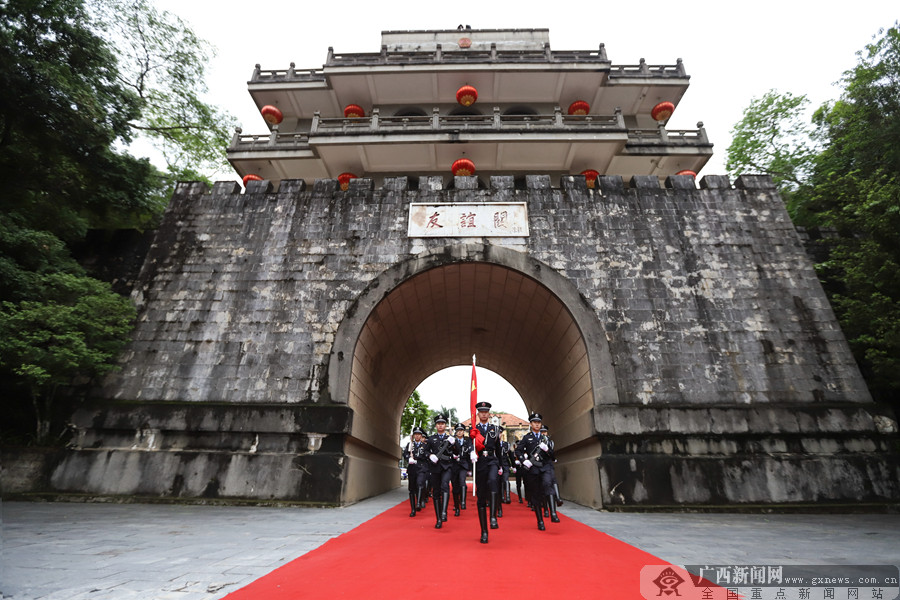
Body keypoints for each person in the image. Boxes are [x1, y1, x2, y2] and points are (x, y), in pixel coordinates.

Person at [515, 412, 560, 530]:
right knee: (536, 494)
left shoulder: (545, 438)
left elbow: (553, 455)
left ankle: (553, 513)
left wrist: (547, 450)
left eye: (539, 422)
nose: (537, 424)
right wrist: (522, 460)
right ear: (531, 424)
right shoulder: (526, 437)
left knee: (548, 484)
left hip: (545, 466)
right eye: (534, 422)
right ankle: (540, 520)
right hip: (533, 468)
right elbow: (518, 451)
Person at [469, 401, 503, 543]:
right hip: (479, 462)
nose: (484, 414)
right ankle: (484, 531)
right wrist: (471, 453)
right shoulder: (473, 430)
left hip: (492, 460)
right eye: (481, 412)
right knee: (481, 497)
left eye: (486, 412)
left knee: (493, 481)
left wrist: (501, 465)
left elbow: (498, 450)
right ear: (478, 414)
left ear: (489, 414)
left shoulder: (494, 429)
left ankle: (493, 517)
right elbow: (468, 447)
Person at [423, 414, 459, 529]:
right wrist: (430, 455)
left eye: (442, 423)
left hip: (447, 466)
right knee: (436, 492)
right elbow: (425, 451)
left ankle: (444, 512)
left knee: (445, 486)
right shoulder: (431, 439)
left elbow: (458, 452)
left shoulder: (449, 438)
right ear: (436, 425)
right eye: (438, 424)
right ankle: (438, 518)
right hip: (435, 468)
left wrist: (454, 443)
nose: (440, 425)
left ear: (445, 425)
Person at [402, 426, 429, 517]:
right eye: (415, 434)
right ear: (413, 436)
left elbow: (426, 455)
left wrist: (419, 459)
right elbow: (405, 453)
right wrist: (408, 458)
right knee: (411, 489)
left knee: (420, 484)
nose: (417, 436)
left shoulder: (425, 446)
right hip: (412, 468)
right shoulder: (410, 445)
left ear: (421, 436)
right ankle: (413, 509)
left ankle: (419, 502)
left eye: (419, 434)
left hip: (421, 468)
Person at [451, 423, 472, 517]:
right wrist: (452, 455)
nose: (459, 432)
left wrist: (470, 469)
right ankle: (456, 505)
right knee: (455, 486)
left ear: (464, 432)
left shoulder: (468, 442)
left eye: (461, 431)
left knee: (462, 482)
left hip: (463, 465)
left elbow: (469, 456)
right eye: (458, 430)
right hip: (454, 465)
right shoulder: (452, 441)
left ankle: (463, 502)